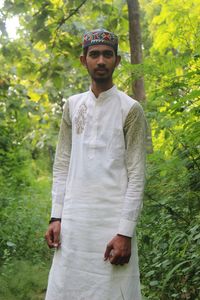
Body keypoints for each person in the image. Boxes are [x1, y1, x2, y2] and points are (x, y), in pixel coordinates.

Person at [45, 29, 146, 300]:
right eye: (94, 55)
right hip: (74, 226)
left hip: (111, 226)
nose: (101, 61)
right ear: (83, 60)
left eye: (107, 54)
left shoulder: (131, 109)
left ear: (117, 60)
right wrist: (57, 216)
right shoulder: (72, 105)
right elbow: (62, 163)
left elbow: (137, 175)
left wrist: (125, 231)